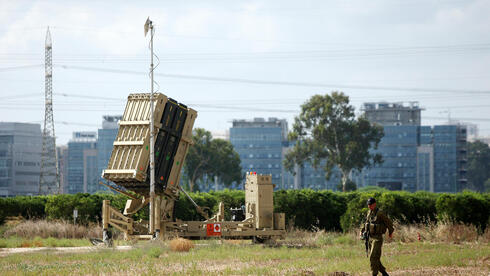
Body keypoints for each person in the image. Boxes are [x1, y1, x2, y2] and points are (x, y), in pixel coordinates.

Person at [360, 197, 394, 276]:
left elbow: (388, 222)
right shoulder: (369, 212)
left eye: (370, 205)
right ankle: (384, 273)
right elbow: (366, 222)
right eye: (368, 205)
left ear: (374, 204)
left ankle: (374, 274)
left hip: (377, 238)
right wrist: (361, 231)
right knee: (375, 258)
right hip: (370, 237)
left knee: (373, 256)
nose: (369, 206)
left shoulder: (380, 213)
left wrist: (390, 231)